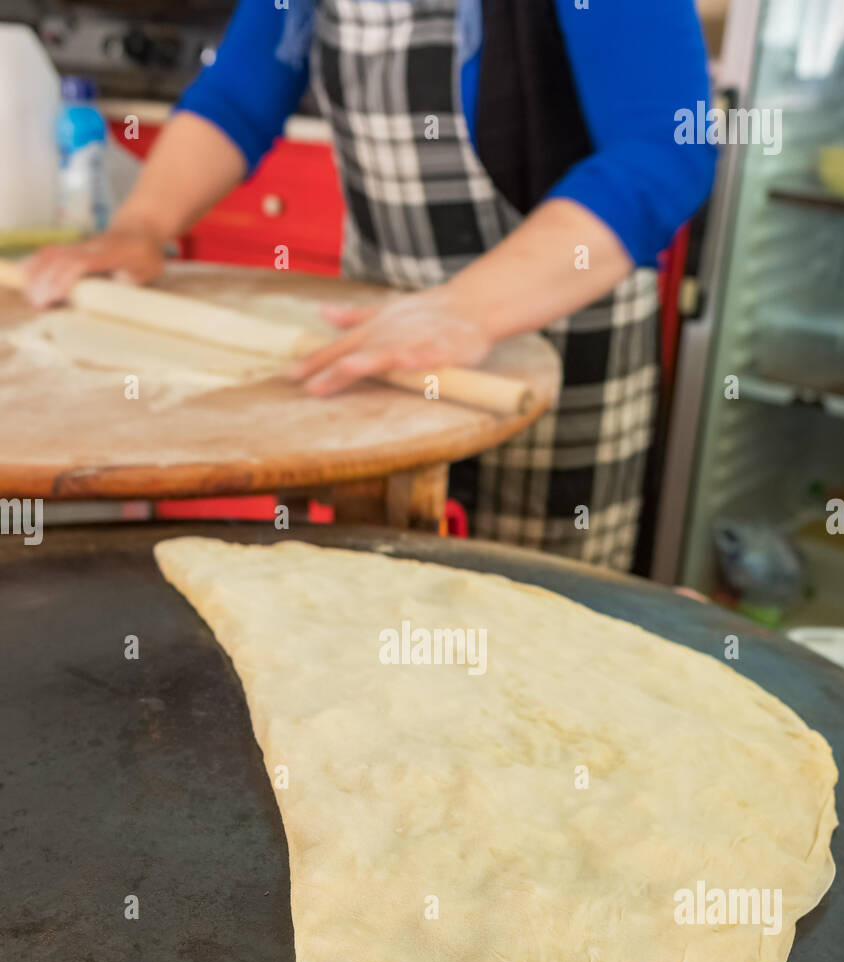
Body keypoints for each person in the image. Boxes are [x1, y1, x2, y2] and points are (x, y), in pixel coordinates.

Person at [25, 0, 715, 569]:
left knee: (536, 631)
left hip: (558, 339)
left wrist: (467, 309)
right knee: (384, 610)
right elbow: (240, 94)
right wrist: (141, 226)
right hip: (383, 349)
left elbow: (667, 147)